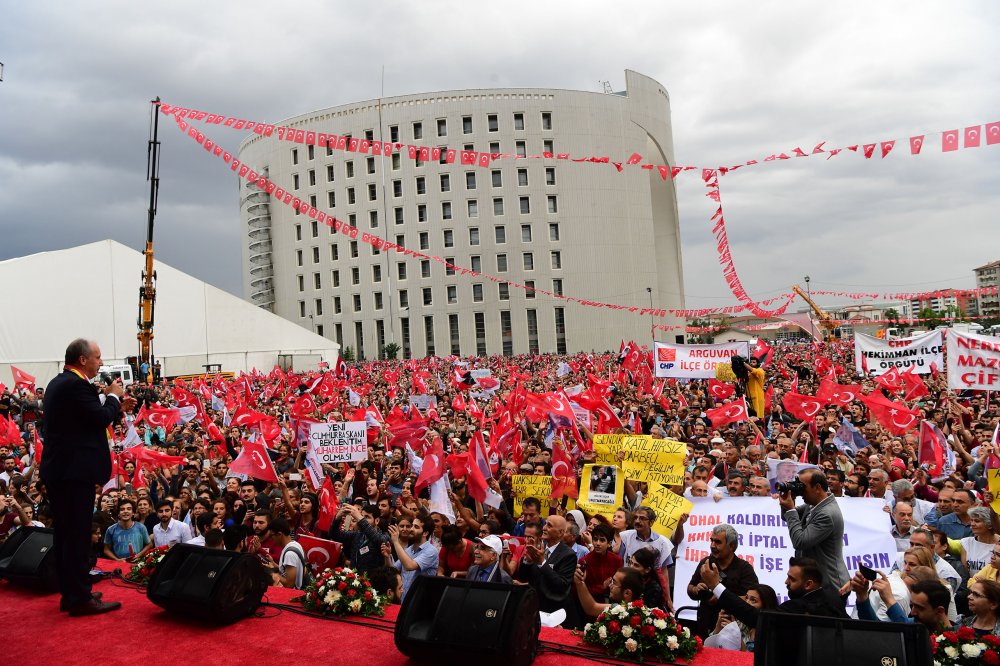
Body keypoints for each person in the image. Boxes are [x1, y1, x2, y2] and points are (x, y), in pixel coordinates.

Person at [41, 338, 133, 616]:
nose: (101, 363)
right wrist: (114, 396)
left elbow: (83, 421)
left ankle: (71, 593)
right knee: (78, 535)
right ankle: (80, 598)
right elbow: (96, 419)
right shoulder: (75, 384)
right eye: (98, 357)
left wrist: (115, 406)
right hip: (73, 473)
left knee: (67, 535)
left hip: (63, 471)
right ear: (83, 360)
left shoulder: (60, 382)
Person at [700, 556, 848, 626]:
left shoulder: (798, 607)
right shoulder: (835, 598)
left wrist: (716, 586)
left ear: (808, 584)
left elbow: (755, 617)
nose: (786, 582)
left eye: (792, 579)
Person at [778, 468, 850, 596]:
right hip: (815, 581)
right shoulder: (815, 504)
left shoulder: (827, 513)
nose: (801, 491)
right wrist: (790, 500)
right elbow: (787, 517)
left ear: (817, 487)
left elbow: (800, 541)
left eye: (802, 487)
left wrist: (790, 510)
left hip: (830, 585)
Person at [687, 524, 759, 638]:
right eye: (711, 541)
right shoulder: (706, 563)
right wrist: (695, 590)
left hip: (731, 632)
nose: (712, 545)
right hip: (703, 627)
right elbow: (690, 588)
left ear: (731, 546)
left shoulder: (745, 569)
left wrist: (721, 597)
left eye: (718, 542)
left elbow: (752, 601)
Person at [515, 514, 577, 613]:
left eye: (549, 525)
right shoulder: (538, 547)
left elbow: (561, 585)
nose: (544, 528)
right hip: (534, 607)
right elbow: (523, 577)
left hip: (554, 610)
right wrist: (528, 560)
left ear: (560, 533)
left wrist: (542, 563)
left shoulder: (569, 555)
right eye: (545, 524)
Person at [704, 584, 779, 652]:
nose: (746, 602)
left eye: (753, 600)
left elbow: (750, 659)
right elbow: (710, 647)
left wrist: (734, 633)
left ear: (765, 606)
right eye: (746, 598)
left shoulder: (769, 631)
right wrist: (719, 625)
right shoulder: (740, 621)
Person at [389, 514, 437, 599]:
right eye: (412, 526)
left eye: (416, 527)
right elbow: (393, 570)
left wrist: (396, 542)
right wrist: (387, 555)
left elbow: (409, 566)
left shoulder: (431, 551)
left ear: (425, 533)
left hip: (418, 602)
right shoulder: (409, 549)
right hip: (404, 599)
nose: (411, 529)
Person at [574, 565, 646, 618]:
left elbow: (592, 608)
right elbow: (592, 607)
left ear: (627, 593)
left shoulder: (621, 610)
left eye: (614, 583)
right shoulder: (644, 612)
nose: (610, 586)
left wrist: (579, 582)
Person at [579, 523, 623, 602]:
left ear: (609, 544)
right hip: (590, 603)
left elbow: (620, 585)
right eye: (595, 539)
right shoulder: (584, 561)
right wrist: (602, 587)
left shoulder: (617, 560)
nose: (597, 543)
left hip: (613, 604)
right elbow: (580, 589)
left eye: (602, 540)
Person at [270, 518, 307, 589]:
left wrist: (272, 574)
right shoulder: (296, 544)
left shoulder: (289, 554)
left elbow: (289, 584)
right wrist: (274, 565)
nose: (271, 539)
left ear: (279, 534)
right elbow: (290, 570)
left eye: (272, 535)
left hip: (295, 595)